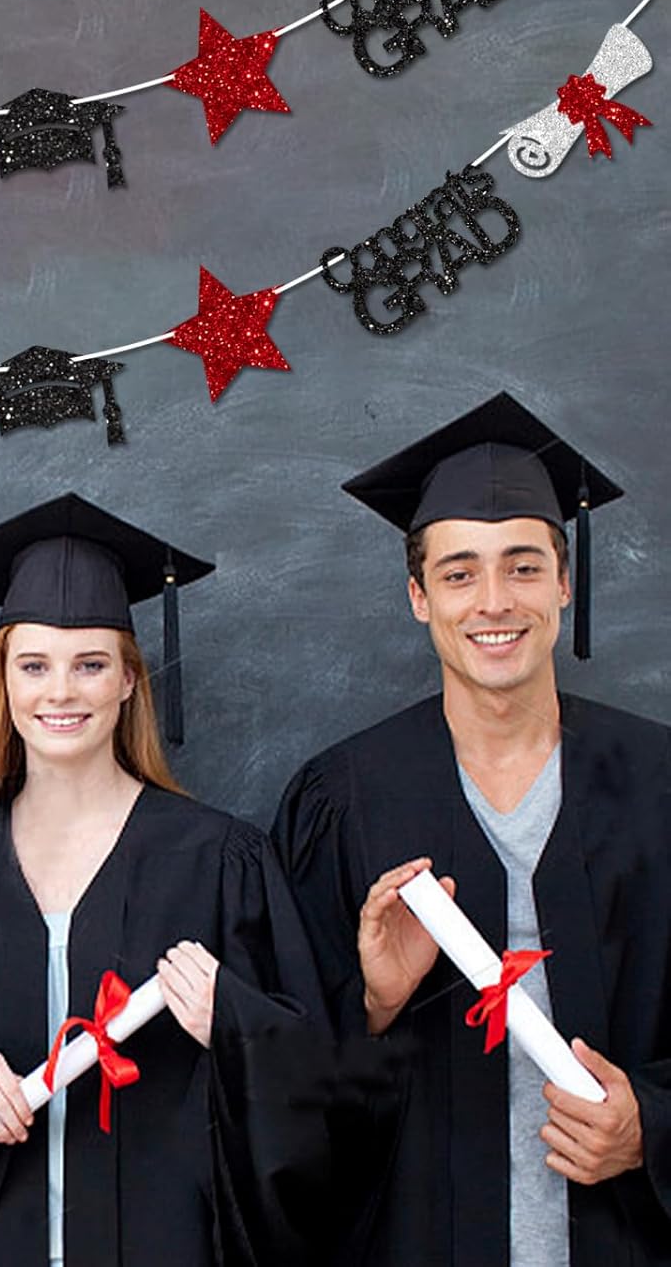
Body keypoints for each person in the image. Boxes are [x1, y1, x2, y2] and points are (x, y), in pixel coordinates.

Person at [0, 493, 331, 1267]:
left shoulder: (219, 860)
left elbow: (315, 1078)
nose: (62, 692)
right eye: (34, 665)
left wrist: (234, 1024)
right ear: (3, 683)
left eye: (91, 665)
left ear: (130, 681)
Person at [272, 391, 671, 1265]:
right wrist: (372, 1004)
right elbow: (275, 1080)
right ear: (419, 596)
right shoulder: (342, 800)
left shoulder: (660, 784)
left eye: (523, 566)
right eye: (459, 573)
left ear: (564, 582)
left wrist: (656, 1125)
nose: (495, 601)